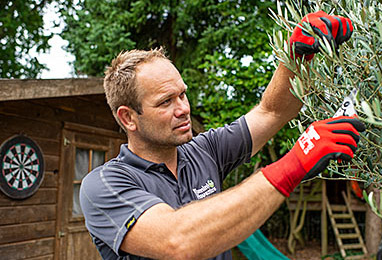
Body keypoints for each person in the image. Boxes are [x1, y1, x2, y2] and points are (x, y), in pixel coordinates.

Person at [80, 11, 364, 260]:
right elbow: (177, 241)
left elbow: (271, 112)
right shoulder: (104, 186)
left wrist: (296, 58)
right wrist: (294, 164)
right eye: (166, 102)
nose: (184, 109)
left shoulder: (204, 150)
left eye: (183, 94)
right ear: (128, 117)